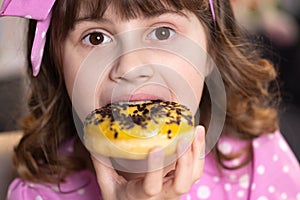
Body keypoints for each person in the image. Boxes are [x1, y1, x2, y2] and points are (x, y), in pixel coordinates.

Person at [1, 0, 300, 199]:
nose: (131, 67)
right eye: (95, 38)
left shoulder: (258, 159)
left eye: (162, 32)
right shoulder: (38, 192)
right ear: (57, 66)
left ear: (211, 53)